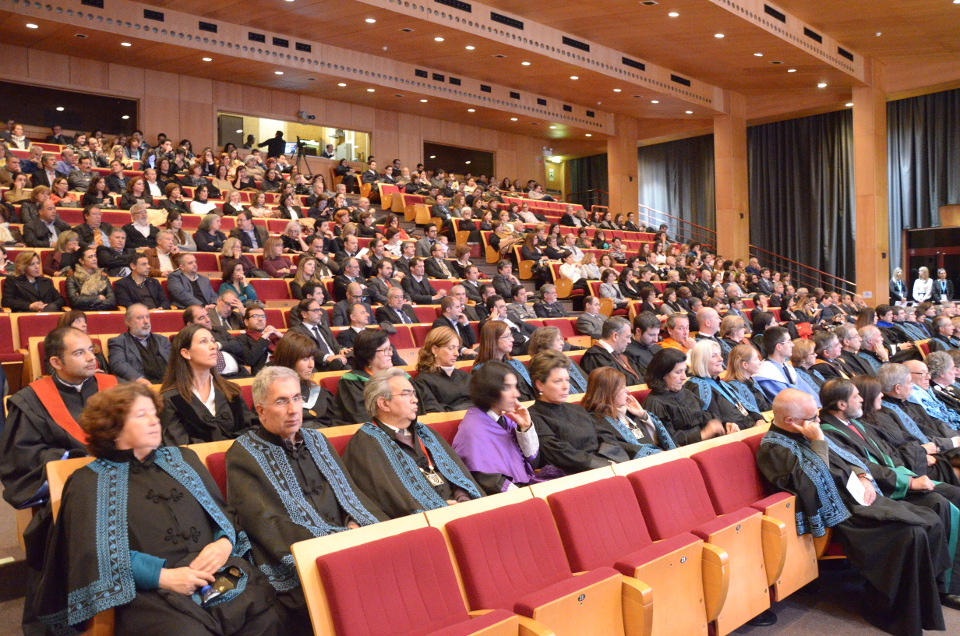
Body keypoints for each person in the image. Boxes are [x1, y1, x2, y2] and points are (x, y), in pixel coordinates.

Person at [36, 383, 280, 636]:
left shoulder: (183, 459)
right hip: (148, 591)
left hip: (216, 574)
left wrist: (223, 544)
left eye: (154, 414)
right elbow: (91, 553)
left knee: (266, 618)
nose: (155, 422)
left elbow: (223, 514)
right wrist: (162, 576)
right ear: (112, 428)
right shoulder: (89, 481)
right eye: (141, 415)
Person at [757, 388, 957, 635]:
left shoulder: (804, 430)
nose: (818, 421)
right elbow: (814, 485)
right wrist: (818, 441)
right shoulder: (774, 448)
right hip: (841, 513)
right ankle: (887, 611)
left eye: (817, 416)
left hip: (856, 496)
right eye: (812, 418)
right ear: (790, 421)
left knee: (931, 518)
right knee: (911, 533)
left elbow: (845, 459)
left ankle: (927, 598)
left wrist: (862, 475)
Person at [224, 367, 381, 633]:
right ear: (260, 410)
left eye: (297, 398)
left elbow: (350, 493)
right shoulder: (243, 454)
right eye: (281, 401)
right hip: (294, 554)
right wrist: (337, 538)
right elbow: (267, 521)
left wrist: (354, 522)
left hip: (350, 539)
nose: (293, 409)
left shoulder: (317, 439)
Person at [0, 327, 118, 633]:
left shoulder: (113, 387)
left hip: (123, 482)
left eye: (91, 349)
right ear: (55, 361)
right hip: (67, 495)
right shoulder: (32, 400)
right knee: (55, 532)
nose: (91, 357)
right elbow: (21, 456)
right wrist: (67, 461)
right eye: (79, 353)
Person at [342, 368, 484, 518]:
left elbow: (458, 475)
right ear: (384, 403)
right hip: (423, 521)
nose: (415, 399)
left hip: (461, 510)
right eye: (406, 394)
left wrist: (463, 499)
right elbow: (389, 499)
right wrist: (441, 510)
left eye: (413, 393)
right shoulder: (366, 444)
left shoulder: (426, 433)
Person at [453, 361, 562, 494]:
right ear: (489, 391)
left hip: (521, 488)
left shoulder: (505, 420)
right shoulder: (473, 429)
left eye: (515, 387)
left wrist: (525, 428)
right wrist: (528, 495)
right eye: (507, 388)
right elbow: (490, 481)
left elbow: (533, 461)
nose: (516, 394)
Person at [528, 351, 642, 473]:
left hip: (606, 465)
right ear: (540, 385)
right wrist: (603, 465)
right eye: (558, 381)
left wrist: (612, 461)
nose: (566, 386)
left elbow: (605, 436)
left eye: (567, 380)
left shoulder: (577, 409)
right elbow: (560, 454)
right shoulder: (534, 416)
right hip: (576, 475)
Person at [159, 324, 255, 445]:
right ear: (186, 353)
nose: (213, 346)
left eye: (213, 341)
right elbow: (178, 444)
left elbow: (251, 428)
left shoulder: (231, 391)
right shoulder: (170, 399)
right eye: (203, 341)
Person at [643, 348, 733, 447]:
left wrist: (725, 425)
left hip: (706, 445)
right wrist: (703, 434)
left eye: (684, 371)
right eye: (678, 372)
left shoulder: (685, 392)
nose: (684, 377)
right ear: (662, 374)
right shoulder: (655, 403)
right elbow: (668, 442)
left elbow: (704, 416)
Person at [581, 367, 676, 455]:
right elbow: (627, 451)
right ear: (608, 392)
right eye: (622, 387)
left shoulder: (629, 411)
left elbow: (655, 441)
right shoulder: (596, 422)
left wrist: (643, 415)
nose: (627, 390)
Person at [685, 339, 764, 430]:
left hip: (751, 427)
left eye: (720, 354)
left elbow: (744, 405)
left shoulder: (720, 383)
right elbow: (718, 423)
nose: (721, 359)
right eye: (714, 356)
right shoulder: (699, 387)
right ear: (701, 360)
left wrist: (759, 419)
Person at [335, 328, 398, 424]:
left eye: (390, 348)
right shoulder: (352, 382)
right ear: (369, 354)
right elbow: (361, 419)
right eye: (385, 350)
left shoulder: (398, 378)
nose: (391, 353)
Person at [754, 326, 822, 406]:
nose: (792, 345)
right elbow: (788, 402)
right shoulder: (765, 373)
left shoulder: (788, 368)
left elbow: (809, 392)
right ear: (779, 347)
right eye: (789, 341)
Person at [108, 304, 173, 385]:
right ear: (129, 322)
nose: (146, 321)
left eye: (147, 317)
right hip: (140, 387)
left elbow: (174, 361)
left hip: (168, 385)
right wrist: (139, 379)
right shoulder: (119, 342)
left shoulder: (162, 340)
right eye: (140, 318)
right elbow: (118, 364)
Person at [413, 327, 472, 412]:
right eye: (451, 348)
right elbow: (434, 411)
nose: (457, 354)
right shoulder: (423, 381)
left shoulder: (465, 376)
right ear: (435, 350)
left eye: (457, 348)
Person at [474, 320, 535, 400]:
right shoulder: (482, 371)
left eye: (511, 335)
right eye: (507, 336)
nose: (512, 339)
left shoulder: (516, 363)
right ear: (493, 340)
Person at [287, 298, 349, 372]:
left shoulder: (325, 329)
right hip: (318, 365)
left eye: (320, 310)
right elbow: (307, 351)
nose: (320, 313)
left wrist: (341, 350)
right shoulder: (296, 331)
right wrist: (327, 357)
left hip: (337, 362)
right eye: (316, 310)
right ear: (304, 314)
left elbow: (335, 346)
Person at [579, 316, 643, 386]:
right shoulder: (595, 356)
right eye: (627, 337)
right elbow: (614, 386)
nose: (629, 341)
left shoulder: (621, 353)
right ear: (615, 336)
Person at [1, 251, 66, 312]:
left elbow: (60, 300)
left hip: (48, 313)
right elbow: (6, 301)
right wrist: (30, 306)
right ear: (23, 266)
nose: (37, 267)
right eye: (32, 264)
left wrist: (48, 307)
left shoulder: (46, 281)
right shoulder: (13, 280)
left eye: (38, 263)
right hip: (27, 315)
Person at [65, 245, 117, 310]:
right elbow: (74, 301)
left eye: (95, 256)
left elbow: (112, 301)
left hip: (101, 313)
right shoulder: (72, 279)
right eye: (90, 257)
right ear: (81, 261)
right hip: (81, 315)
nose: (94, 259)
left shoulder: (103, 278)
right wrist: (98, 298)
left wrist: (87, 304)